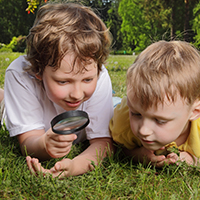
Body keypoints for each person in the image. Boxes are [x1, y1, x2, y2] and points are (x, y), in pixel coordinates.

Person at [3, 2, 114, 178]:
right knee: (3, 106)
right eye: (63, 82)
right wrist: (44, 145)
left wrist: (75, 166)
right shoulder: (20, 74)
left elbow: (103, 143)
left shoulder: (99, 75)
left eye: (87, 79)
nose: (77, 94)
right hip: (18, 106)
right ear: (38, 70)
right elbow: (28, 141)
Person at [109, 40, 200, 168]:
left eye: (160, 120)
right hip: (118, 106)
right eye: (136, 114)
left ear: (195, 112)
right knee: (110, 105)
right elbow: (115, 146)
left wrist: (192, 159)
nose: (144, 130)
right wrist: (137, 155)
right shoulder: (123, 123)